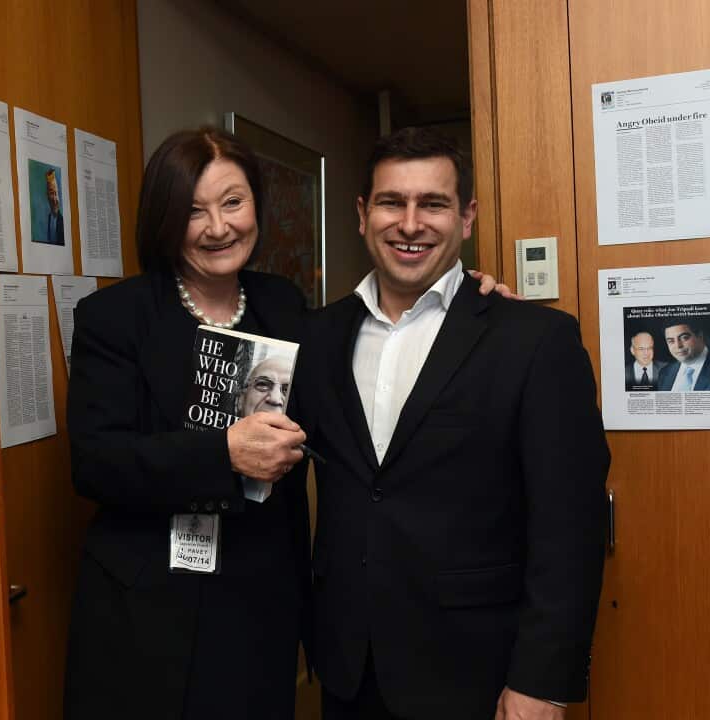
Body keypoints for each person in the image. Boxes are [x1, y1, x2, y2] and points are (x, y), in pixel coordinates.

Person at [62, 127, 507, 720]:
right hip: (146, 609)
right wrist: (222, 455)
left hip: (259, 601)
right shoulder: (116, 318)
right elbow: (95, 462)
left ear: (256, 208)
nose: (218, 228)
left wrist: (468, 301)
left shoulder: (288, 308)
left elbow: (359, 396)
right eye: (194, 211)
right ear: (165, 219)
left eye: (233, 203)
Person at [298, 127, 609, 719]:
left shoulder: (535, 342)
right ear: (363, 214)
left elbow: (570, 528)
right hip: (348, 672)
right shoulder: (316, 337)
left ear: (466, 218)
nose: (410, 224)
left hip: (479, 677)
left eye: (433, 204)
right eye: (392, 202)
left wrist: (543, 682)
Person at [656, 321, 710, 391]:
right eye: (671, 341)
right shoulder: (664, 372)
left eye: (684, 338)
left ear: (700, 336)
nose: (678, 346)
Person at [42, 169, 66, 245]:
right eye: (52, 193)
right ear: (47, 195)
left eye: (56, 193)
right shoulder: (48, 218)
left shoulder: (62, 221)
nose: (55, 199)